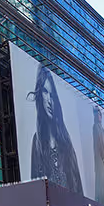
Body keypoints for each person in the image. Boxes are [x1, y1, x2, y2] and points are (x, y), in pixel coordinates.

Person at [29, 64, 83, 195]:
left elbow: (78, 185)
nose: (49, 100)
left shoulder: (64, 138)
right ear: (40, 94)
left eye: (52, 95)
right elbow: (34, 190)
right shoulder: (37, 142)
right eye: (45, 92)